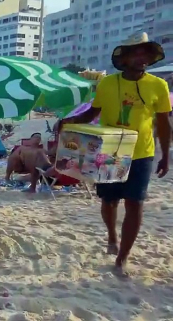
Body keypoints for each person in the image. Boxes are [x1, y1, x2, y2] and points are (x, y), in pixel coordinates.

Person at [58, 32, 170, 276]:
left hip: (141, 153)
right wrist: (70, 120)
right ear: (126, 57)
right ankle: (111, 235)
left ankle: (122, 257)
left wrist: (166, 155)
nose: (142, 58)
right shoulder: (107, 84)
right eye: (137, 53)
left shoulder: (158, 85)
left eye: (146, 54)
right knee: (109, 201)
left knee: (135, 203)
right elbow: (92, 113)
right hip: (109, 150)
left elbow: (163, 123)